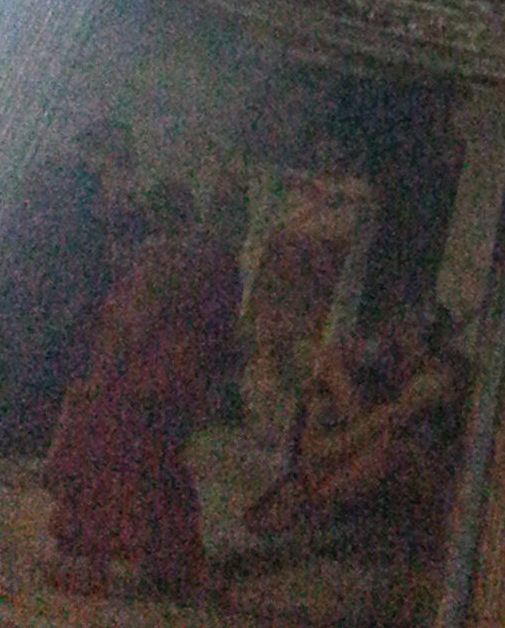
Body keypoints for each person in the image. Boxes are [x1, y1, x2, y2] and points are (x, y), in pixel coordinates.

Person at [42, 178, 240, 598]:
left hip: (140, 378)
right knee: (158, 468)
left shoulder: (159, 260)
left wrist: (98, 374)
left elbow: (131, 322)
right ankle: (171, 564)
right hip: (177, 381)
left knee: (110, 461)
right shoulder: (210, 261)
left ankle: (97, 561)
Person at [0, 120, 136, 482]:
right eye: (119, 167)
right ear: (107, 158)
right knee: (21, 373)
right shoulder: (80, 189)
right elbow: (81, 252)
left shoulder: (51, 179)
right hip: (44, 299)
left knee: (1, 366)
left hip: (23, 292)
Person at [243, 302, 465, 544]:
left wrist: (354, 410)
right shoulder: (328, 498)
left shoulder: (300, 456)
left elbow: (324, 404)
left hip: (375, 407)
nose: (286, 502)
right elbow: (380, 455)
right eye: (282, 514)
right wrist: (379, 419)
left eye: (277, 502)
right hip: (405, 439)